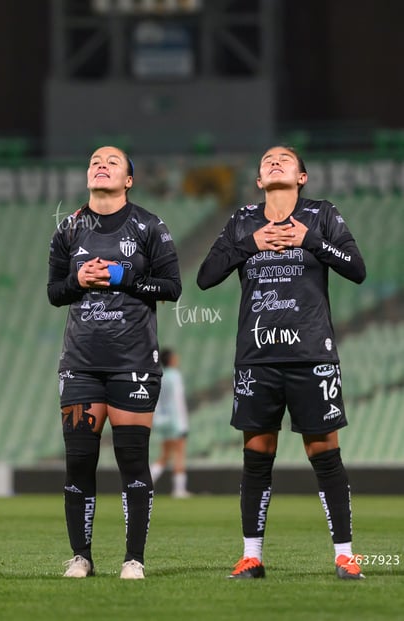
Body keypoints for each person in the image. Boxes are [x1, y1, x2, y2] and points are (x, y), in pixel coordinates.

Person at [197, 146, 366, 580]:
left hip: (311, 353)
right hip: (258, 358)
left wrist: (309, 240)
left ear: (302, 177)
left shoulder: (322, 215)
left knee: (324, 453)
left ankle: (345, 556)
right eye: (267, 160)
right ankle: (251, 557)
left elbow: (356, 268)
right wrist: (249, 245)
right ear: (257, 181)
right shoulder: (242, 220)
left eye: (285, 159)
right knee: (257, 455)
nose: (274, 161)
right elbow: (205, 275)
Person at [47, 145, 182, 579]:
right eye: (94, 162)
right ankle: (81, 556)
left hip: (133, 363)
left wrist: (125, 277)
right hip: (81, 364)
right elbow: (54, 292)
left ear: (128, 180)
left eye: (112, 163)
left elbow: (172, 287)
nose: (101, 165)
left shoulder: (149, 226)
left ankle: (133, 559)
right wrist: (77, 279)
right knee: (79, 462)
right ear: (87, 176)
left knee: (132, 461)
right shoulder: (68, 229)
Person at [150, 348, 191, 498]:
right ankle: (179, 490)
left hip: (162, 420)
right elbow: (178, 400)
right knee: (179, 454)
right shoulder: (175, 376)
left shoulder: (161, 376)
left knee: (165, 455)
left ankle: (147, 481)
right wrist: (183, 423)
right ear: (171, 360)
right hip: (175, 420)